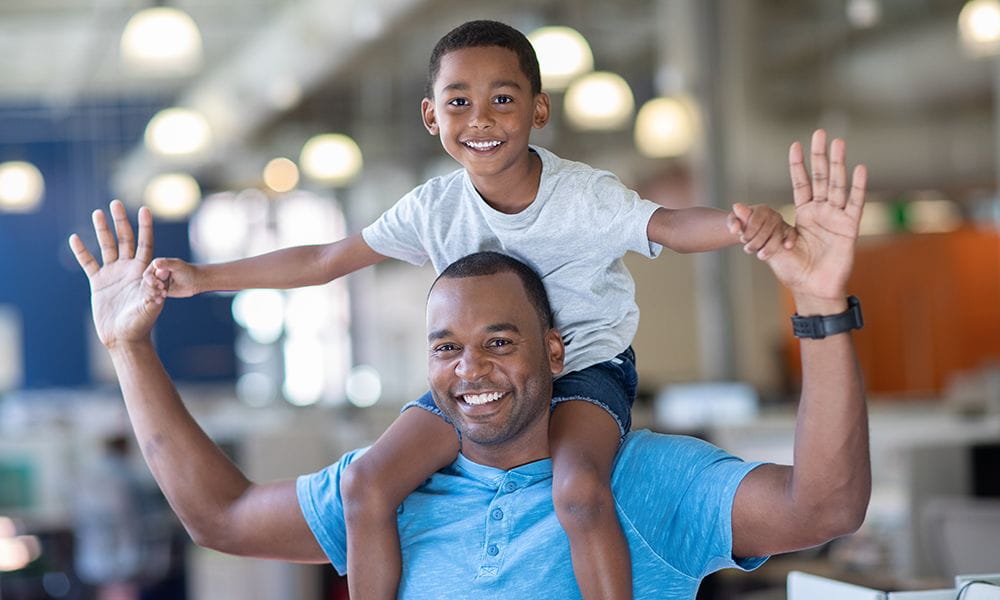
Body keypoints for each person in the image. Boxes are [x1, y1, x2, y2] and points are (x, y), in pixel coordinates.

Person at [68, 129, 870, 599]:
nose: (471, 369)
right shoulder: (387, 489)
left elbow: (824, 508)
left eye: (500, 342)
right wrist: (130, 348)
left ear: (555, 351)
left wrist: (821, 309)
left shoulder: (642, 481)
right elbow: (221, 519)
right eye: (447, 347)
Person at [145, 20, 794, 600]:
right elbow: (324, 260)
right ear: (432, 116)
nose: (480, 118)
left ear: (538, 110)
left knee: (578, 491)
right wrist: (204, 277)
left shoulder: (582, 197)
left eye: (502, 100)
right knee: (367, 482)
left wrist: (745, 227)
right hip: (481, 380)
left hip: (585, 373)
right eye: (460, 102)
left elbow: (671, 224)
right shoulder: (434, 207)